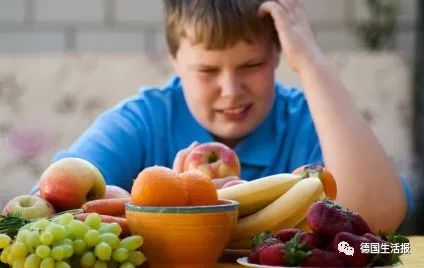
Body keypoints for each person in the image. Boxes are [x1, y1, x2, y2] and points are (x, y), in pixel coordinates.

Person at [32, 0, 412, 233]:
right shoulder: (143, 120)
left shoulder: (311, 118)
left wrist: (310, 62)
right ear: (175, 62)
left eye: (252, 64)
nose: (230, 90)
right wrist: (173, 207)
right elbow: (44, 213)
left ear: (278, 56)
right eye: (208, 71)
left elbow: (380, 227)